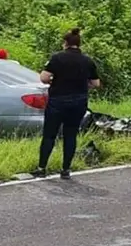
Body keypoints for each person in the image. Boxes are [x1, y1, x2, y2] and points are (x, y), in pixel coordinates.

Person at [32, 28, 100, 179]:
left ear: (65, 43)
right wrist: (83, 84)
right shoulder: (87, 60)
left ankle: (42, 167)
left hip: (58, 101)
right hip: (78, 102)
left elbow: (44, 78)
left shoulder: (57, 58)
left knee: (50, 135)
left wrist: (55, 80)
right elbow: (96, 83)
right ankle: (66, 170)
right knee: (70, 135)